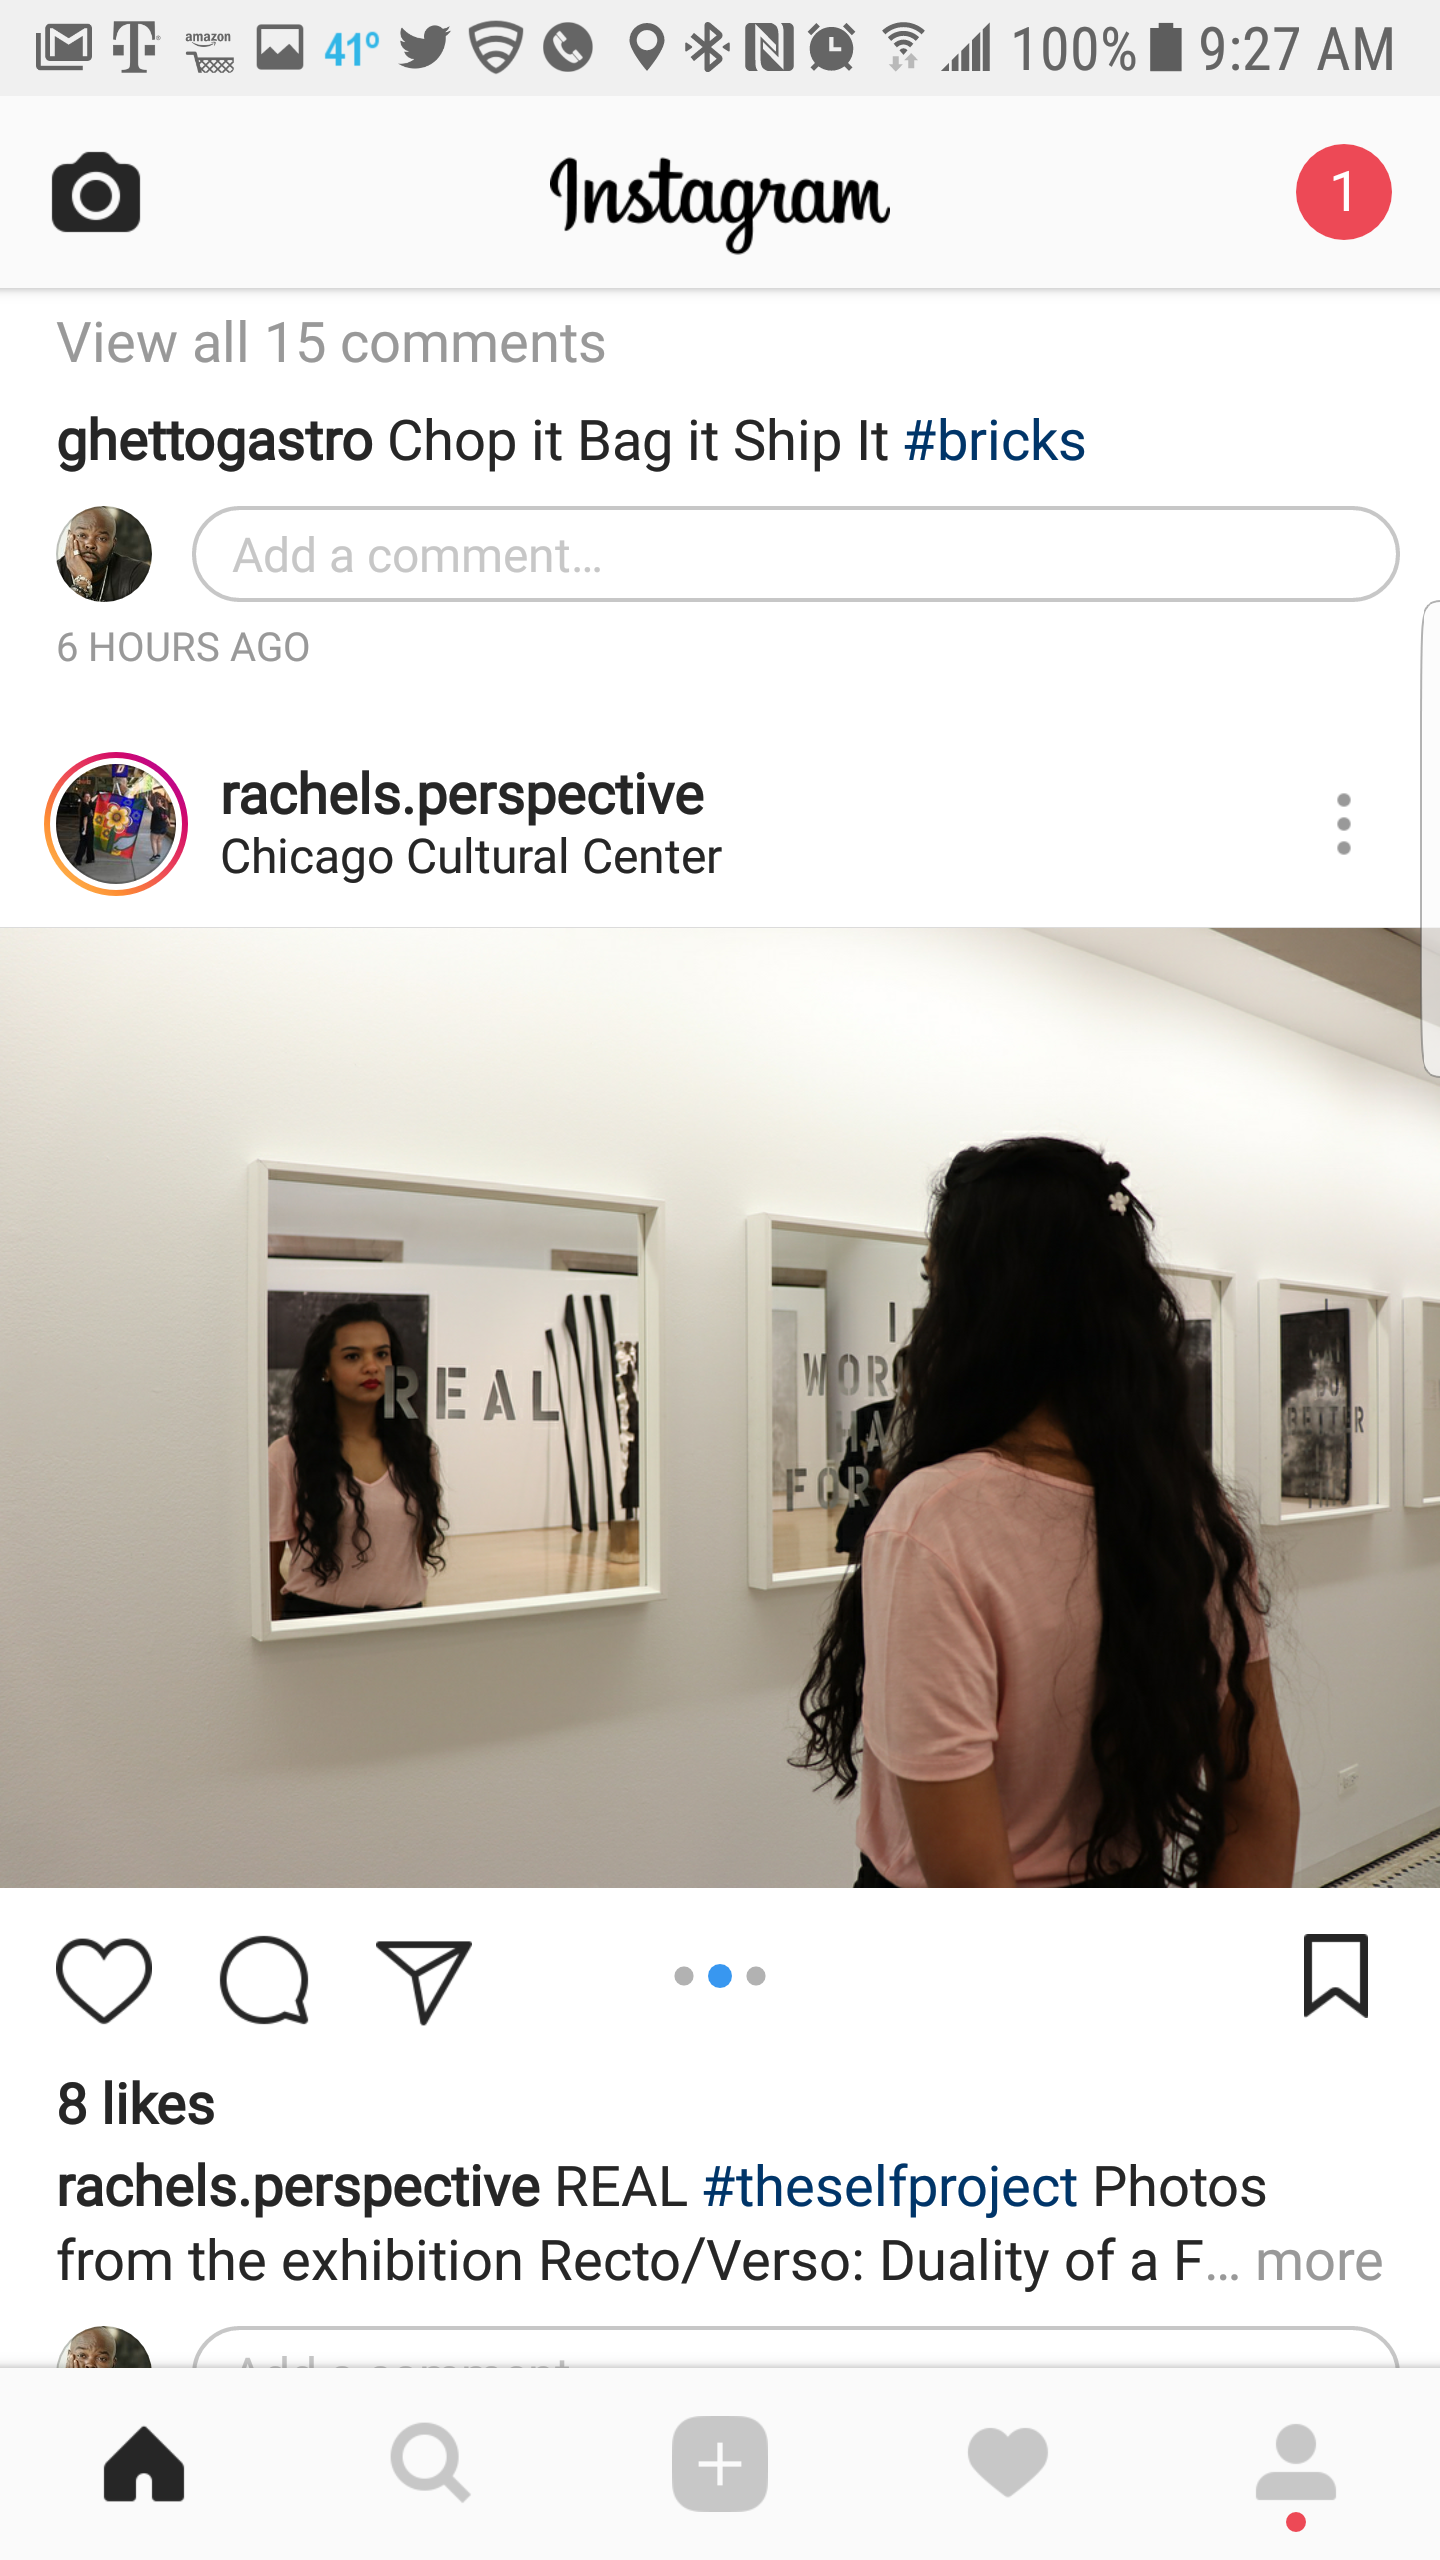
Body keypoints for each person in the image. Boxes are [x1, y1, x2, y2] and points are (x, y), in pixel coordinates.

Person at [794, 1138, 1299, 1889]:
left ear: (986, 1308)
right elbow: (1264, 1814)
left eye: (939, 1286)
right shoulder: (1189, 1515)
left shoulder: (933, 1523)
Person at [268, 1302, 445, 1620]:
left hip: (404, 1621)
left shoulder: (419, 1452)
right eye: (353, 1356)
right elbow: (265, 1567)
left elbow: (415, 1550)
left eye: (382, 1354)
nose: (372, 1367)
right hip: (316, 1621)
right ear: (325, 1369)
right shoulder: (288, 1455)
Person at [56, 506, 150, 603]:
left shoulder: (137, 574)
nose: (90, 545)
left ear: (113, 544)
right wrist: (82, 581)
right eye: (82, 535)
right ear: (69, 537)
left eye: (102, 538)